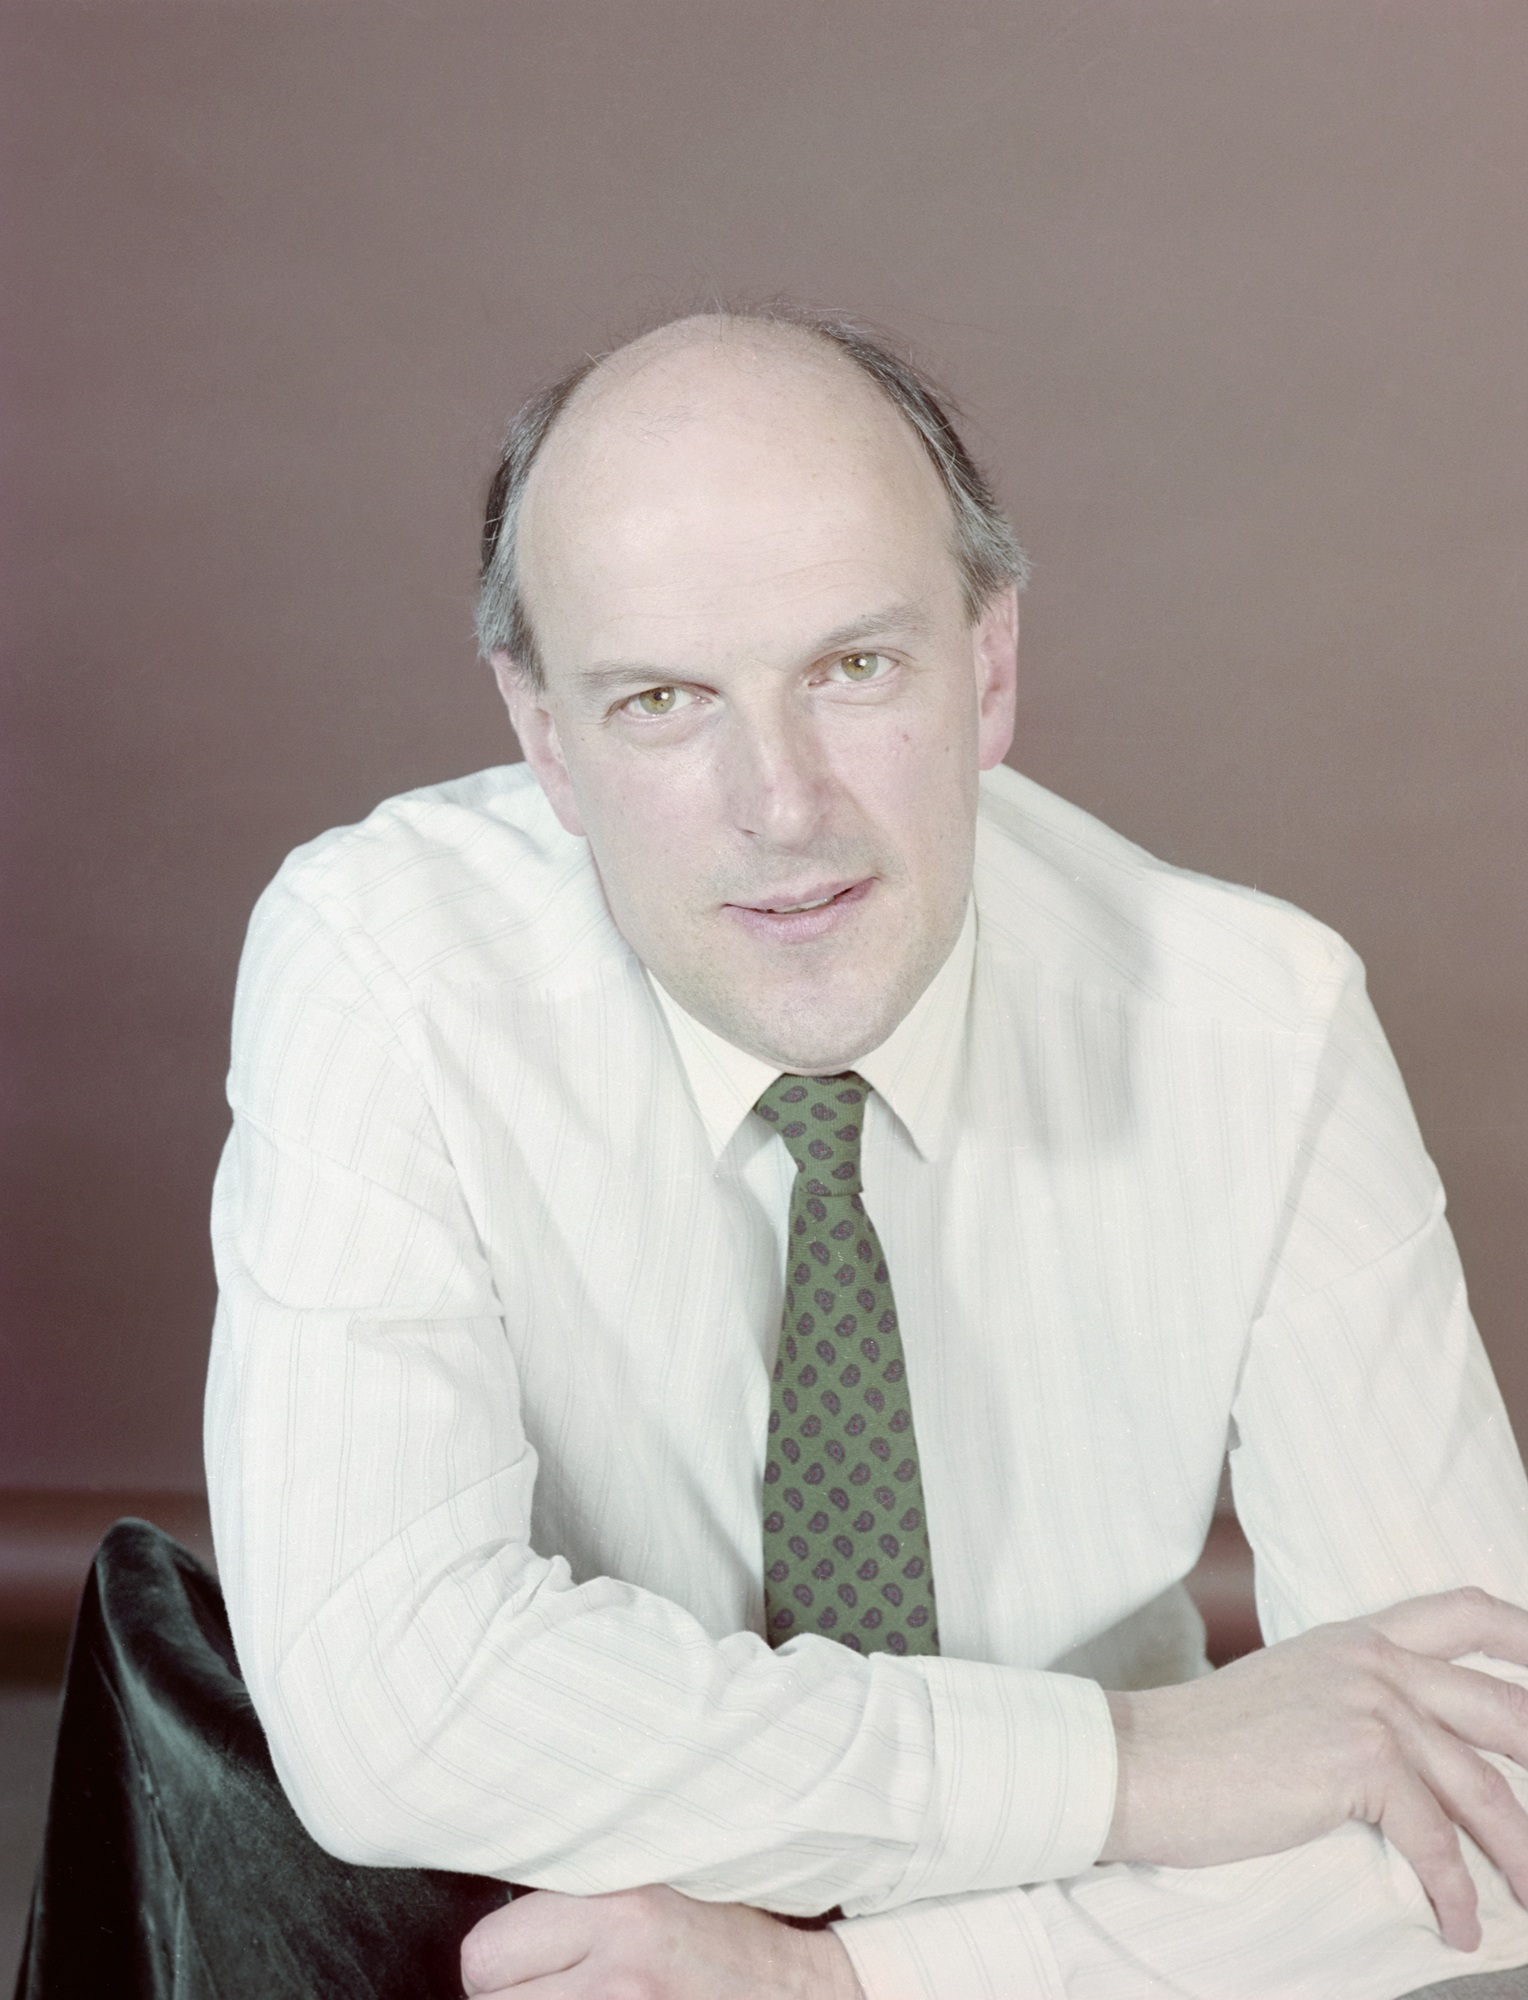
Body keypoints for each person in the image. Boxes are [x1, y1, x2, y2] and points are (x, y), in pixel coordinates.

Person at [199, 306, 1528, 1999]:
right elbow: (399, 1708)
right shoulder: (383, 966)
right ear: (543, 737)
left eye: (854, 667)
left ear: (988, 668)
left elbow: (1499, 1797)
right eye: (665, 701)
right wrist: (1128, 1765)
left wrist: (854, 1985)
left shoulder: (1259, 1024)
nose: (782, 805)